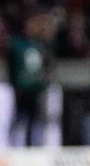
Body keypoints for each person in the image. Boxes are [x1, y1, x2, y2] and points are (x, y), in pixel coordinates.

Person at [4, 9, 54, 147]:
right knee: (19, 119)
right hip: (22, 89)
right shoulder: (16, 43)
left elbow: (48, 65)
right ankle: (11, 146)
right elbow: (11, 66)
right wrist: (13, 84)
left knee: (36, 121)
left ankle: (33, 147)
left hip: (36, 89)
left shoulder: (42, 44)